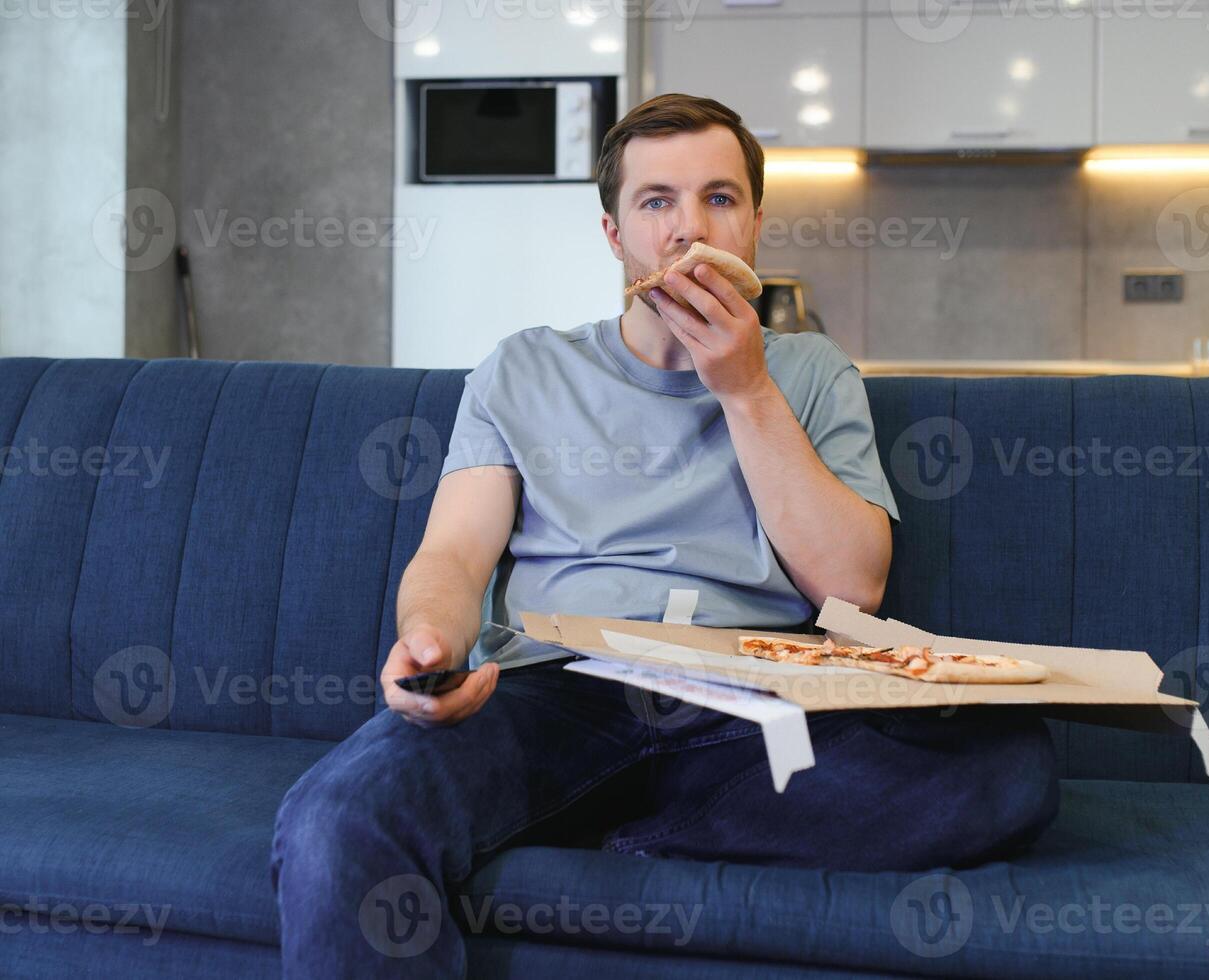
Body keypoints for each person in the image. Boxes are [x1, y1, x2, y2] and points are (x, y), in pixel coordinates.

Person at [270, 93, 1059, 978]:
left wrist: (744, 385)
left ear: (756, 222)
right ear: (614, 234)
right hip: (550, 692)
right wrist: (430, 638)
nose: (690, 229)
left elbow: (852, 589)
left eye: (719, 199)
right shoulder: (524, 368)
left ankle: (628, 833)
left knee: (1011, 768)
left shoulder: (810, 372)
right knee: (333, 821)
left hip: (751, 705)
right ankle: (608, 812)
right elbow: (452, 554)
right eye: (657, 203)